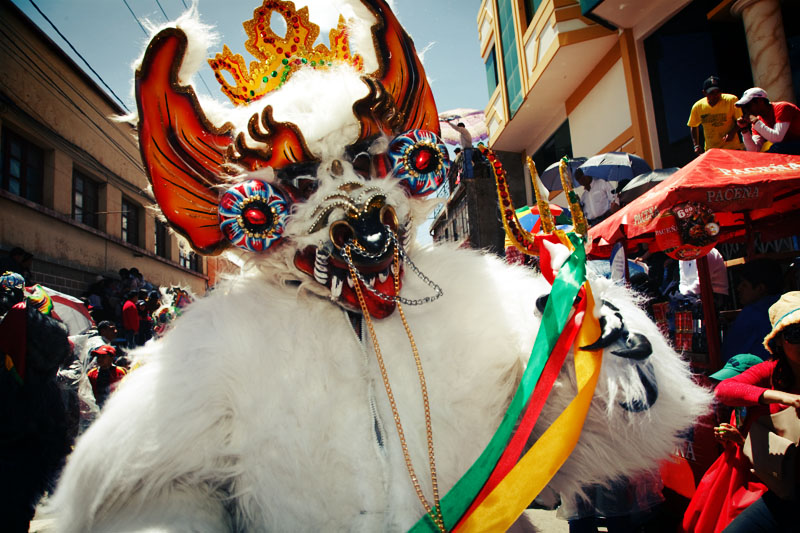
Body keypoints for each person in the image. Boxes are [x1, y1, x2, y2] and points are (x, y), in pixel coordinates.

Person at [715, 291, 800, 532]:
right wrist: (784, 397)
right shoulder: (771, 371)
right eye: (796, 334)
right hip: (783, 489)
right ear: (780, 341)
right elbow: (724, 389)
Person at [681, 354, 767, 533]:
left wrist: (740, 441)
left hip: (753, 485)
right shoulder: (740, 407)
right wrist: (727, 441)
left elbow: (774, 461)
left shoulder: (768, 412)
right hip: (729, 476)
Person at [721, 259, 782, 362]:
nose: (738, 289)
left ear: (760, 288)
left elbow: (729, 357)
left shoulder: (752, 313)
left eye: (744, 285)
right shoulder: (787, 306)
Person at [735, 87, 800, 155]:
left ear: (760, 101)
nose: (746, 110)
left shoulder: (783, 108)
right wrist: (744, 130)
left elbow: (777, 138)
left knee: (776, 149)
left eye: (747, 106)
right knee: (768, 154)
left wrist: (756, 122)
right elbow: (754, 150)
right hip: (792, 146)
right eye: (744, 107)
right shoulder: (757, 121)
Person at [687, 76, 743, 154]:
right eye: (711, 92)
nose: (715, 95)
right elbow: (693, 125)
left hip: (732, 148)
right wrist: (696, 145)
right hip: (711, 150)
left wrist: (732, 132)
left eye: (718, 92)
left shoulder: (731, 100)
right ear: (704, 93)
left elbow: (741, 120)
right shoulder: (698, 107)